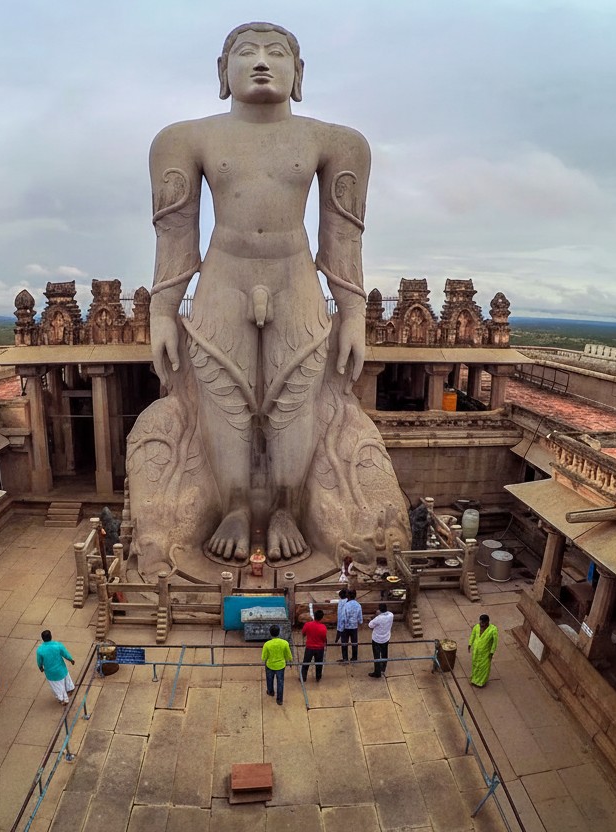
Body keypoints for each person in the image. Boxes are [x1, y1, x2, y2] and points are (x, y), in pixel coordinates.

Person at [149, 22, 371, 563]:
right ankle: (233, 507)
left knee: (296, 396)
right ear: (222, 72)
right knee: (223, 397)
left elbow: (344, 236)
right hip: (224, 275)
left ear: (299, 73)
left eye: (277, 53)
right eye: (246, 52)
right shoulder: (183, 139)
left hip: (294, 275)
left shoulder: (337, 142)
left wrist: (353, 313)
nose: (262, 61)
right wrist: (161, 311)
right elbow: (174, 234)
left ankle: (287, 510)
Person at [36, 630, 77, 704]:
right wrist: (71, 659)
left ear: (42, 638)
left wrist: (40, 667)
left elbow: (39, 661)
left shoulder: (40, 650)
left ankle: (63, 699)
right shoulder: (58, 645)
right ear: (51, 636)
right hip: (62, 669)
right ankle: (70, 689)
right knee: (66, 679)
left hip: (51, 673)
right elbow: (65, 653)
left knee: (57, 686)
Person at [261, 624, 293, 705]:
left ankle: (270, 692)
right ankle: (279, 700)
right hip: (281, 666)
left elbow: (263, 657)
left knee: (269, 679)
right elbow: (288, 655)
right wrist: (290, 661)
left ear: (270, 633)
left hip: (270, 665)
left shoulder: (267, 644)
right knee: (280, 682)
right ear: (279, 632)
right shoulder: (285, 643)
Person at [468, 614, 499, 688]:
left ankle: (480, 683)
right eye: (480, 622)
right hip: (476, 651)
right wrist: (470, 644)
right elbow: (473, 635)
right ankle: (474, 680)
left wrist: (492, 652)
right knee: (475, 665)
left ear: (487, 622)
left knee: (483, 668)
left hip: (486, 653)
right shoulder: (477, 627)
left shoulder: (493, 630)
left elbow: (494, 642)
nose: (481, 624)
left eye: (483, 623)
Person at [300, 608, 328, 682]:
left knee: (306, 663)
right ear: (321, 618)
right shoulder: (323, 627)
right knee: (319, 663)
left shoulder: (307, 624)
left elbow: (303, 633)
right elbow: (324, 638)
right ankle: (318, 677)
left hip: (309, 647)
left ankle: (303, 677)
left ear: (314, 616)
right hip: (319, 648)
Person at [336, 588, 362, 662]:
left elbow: (343, 618)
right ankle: (354, 657)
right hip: (354, 627)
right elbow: (360, 619)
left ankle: (345, 658)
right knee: (354, 642)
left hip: (346, 627)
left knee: (344, 643)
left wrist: (340, 629)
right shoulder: (358, 605)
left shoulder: (346, 606)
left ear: (348, 596)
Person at [367, 603, 393, 678]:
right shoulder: (391, 615)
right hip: (386, 638)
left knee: (377, 656)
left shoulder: (378, 618)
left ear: (379, 610)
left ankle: (377, 672)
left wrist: (375, 615)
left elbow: (370, 625)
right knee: (384, 654)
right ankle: (383, 668)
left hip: (377, 639)